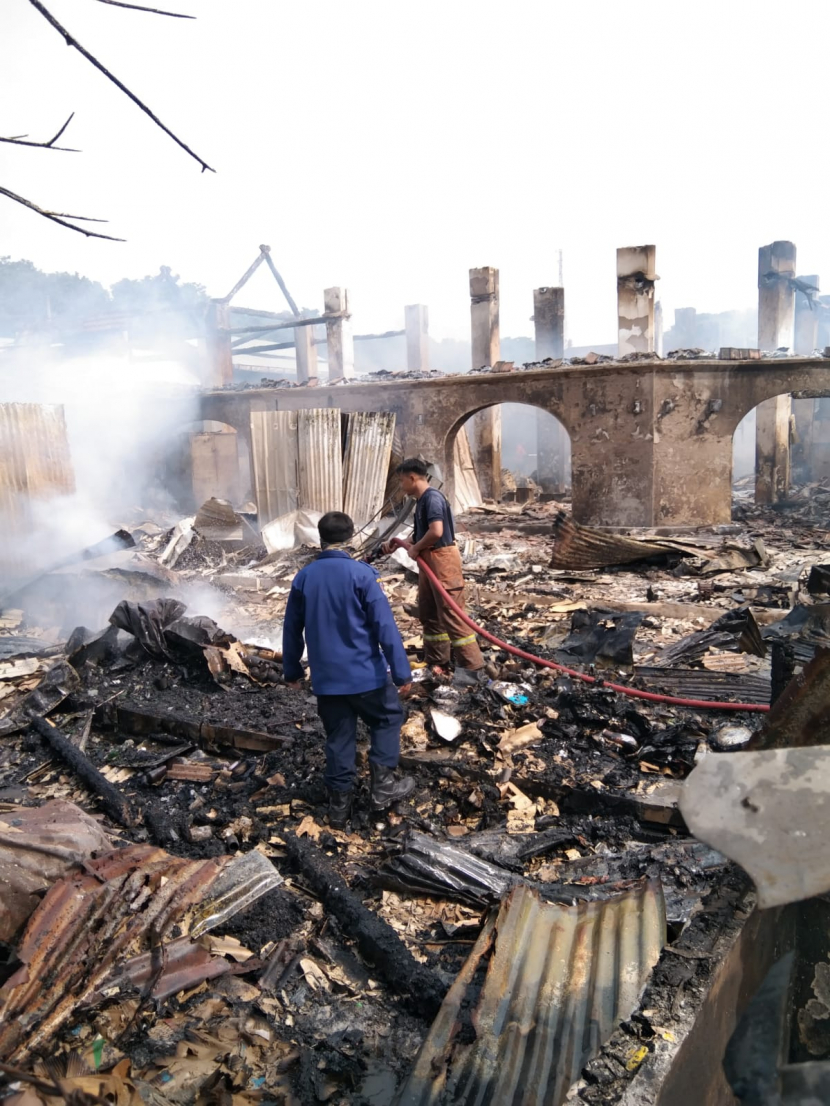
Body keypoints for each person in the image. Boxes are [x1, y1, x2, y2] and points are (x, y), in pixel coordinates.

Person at [282, 511, 415, 827]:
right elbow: (385, 626)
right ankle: (382, 787)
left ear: (320, 538)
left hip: (328, 681)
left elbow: (291, 629)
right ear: (352, 537)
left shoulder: (304, 577)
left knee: (339, 736)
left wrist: (292, 672)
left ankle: (339, 808)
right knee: (387, 718)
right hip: (366, 676)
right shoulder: (362, 575)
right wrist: (401, 672)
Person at [384, 458, 484, 674]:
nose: (401, 486)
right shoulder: (421, 501)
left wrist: (416, 547)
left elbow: (437, 532)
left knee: (452, 615)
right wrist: (406, 542)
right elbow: (424, 531)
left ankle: (473, 668)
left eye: (402, 481)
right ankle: (437, 660)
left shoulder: (432, 499)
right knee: (429, 613)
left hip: (442, 561)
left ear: (412, 477)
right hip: (430, 562)